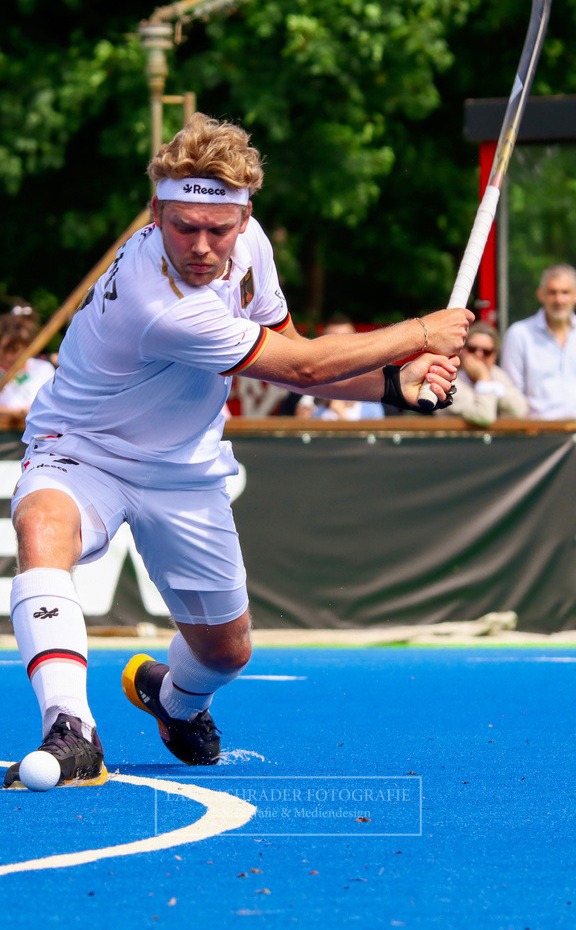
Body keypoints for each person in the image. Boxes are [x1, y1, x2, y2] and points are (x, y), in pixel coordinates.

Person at [4, 112, 473, 788]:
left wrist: (396, 384)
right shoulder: (157, 301)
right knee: (42, 527)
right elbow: (306, 371)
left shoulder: (251, 249)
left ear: (244, 218)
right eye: (181, 227)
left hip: (186, 469)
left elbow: (289, 346)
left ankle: (172, 699)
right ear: (158, 212)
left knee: (226, 653)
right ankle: (70, 728)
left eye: (217, 229)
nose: (199, 246)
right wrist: (419, 331)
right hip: (83, 450)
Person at [501, 263, 576, 419]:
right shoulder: (519, 334)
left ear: (575, 295)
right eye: (552, 292)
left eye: (565, 292)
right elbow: (512, 393)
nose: (559, 299)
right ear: (540, 295)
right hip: (537, 435)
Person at [296, 315, 385, 419]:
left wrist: (341, 414)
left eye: (347, 341)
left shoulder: (378, 391)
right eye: (332, 343)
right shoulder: (298, 388)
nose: (340, 350)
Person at [444, 320, 528, 426]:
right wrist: (483, 379)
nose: (479, 355)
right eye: (472, 349)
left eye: (486, 352)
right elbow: (484, 416)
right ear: (462, 351)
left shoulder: (497, 374)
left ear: (494, 357)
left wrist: (491, 385)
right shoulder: (449, 380)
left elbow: (520, 411)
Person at [0, 311, 55, 420]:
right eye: (6, 349)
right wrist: (13, 413)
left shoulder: (43, 369)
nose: (10, 356)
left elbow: (53, 405)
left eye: (15, 349)